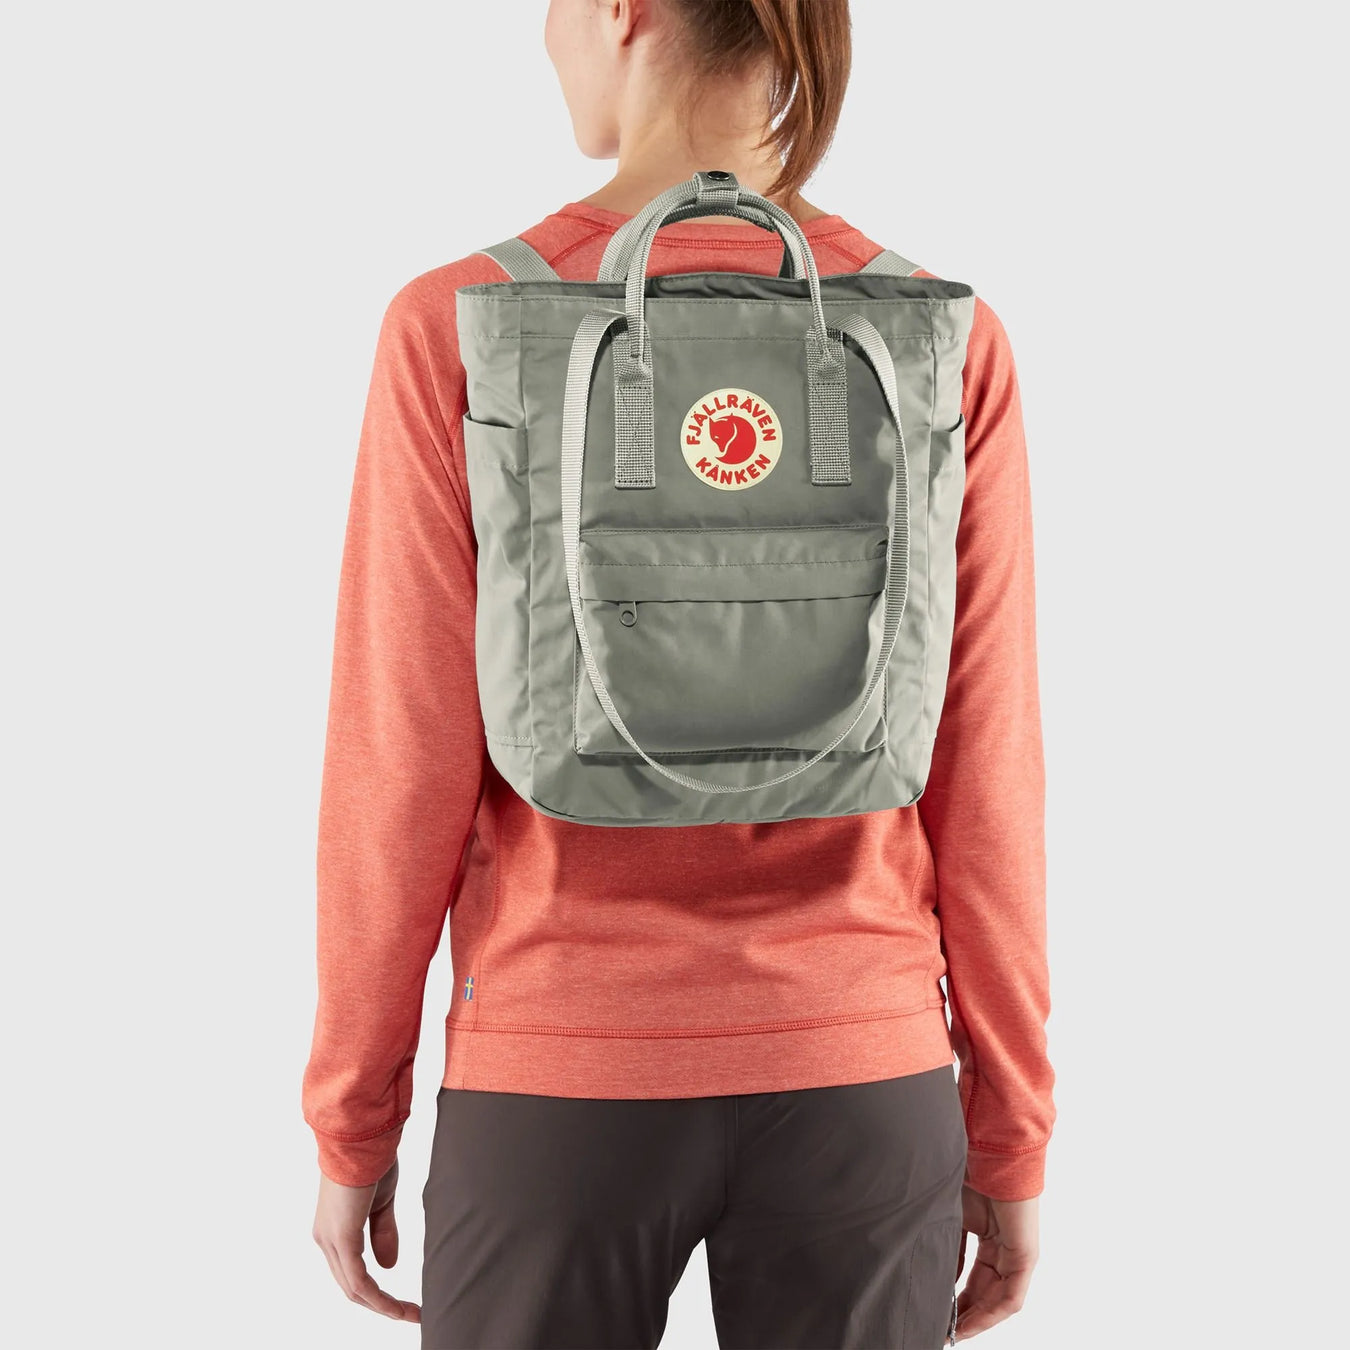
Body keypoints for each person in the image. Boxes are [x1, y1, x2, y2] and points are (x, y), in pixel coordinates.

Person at [302, 1, 1054, 1345]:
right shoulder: (938, 338)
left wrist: (353, 1116)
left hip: (553, 1089)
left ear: (623, 10)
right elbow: (987, 773)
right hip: (860, 1076)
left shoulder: (460, 327)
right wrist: (1011, 1131)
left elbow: (398, 764)